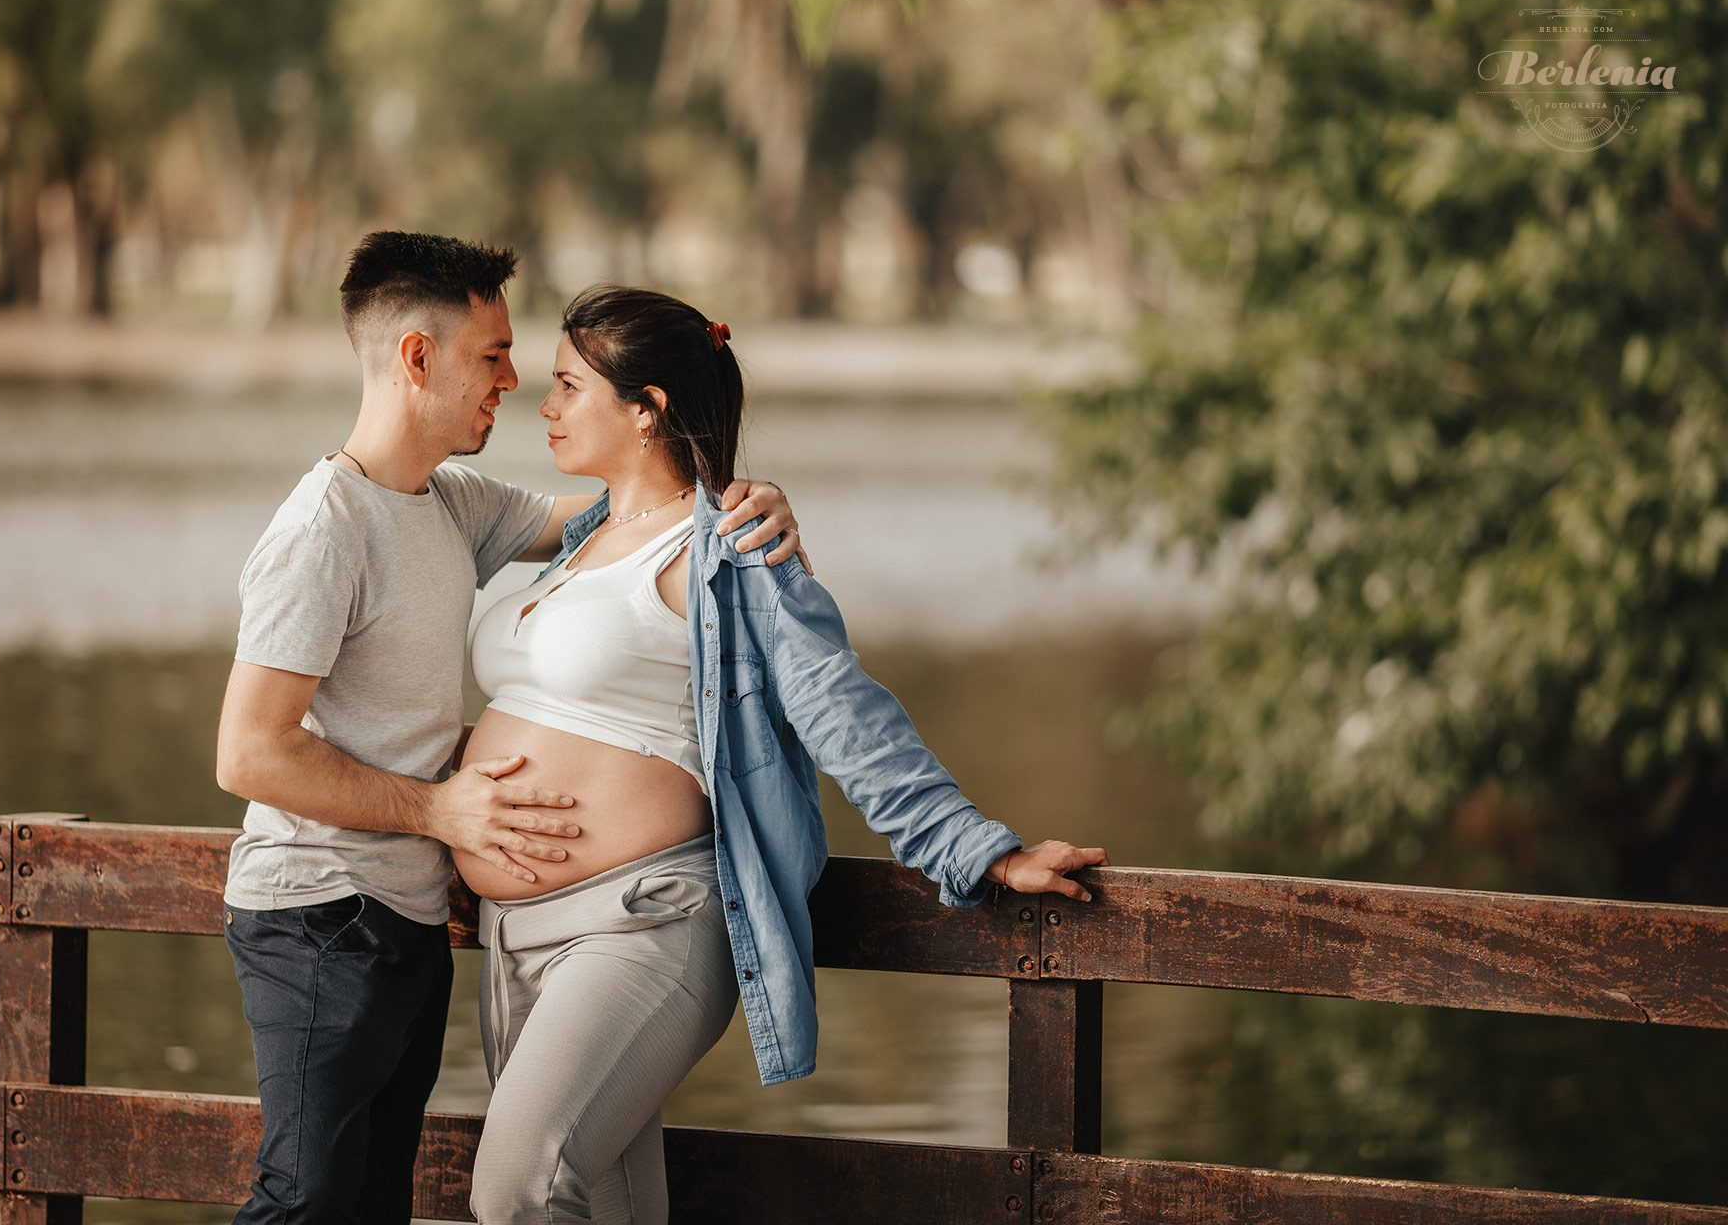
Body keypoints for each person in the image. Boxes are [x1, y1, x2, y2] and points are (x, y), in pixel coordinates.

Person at [461, 284, 1109, 1225]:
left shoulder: (734, 551)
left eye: (568, 386)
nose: (547, 406)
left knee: (516, 1190)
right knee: (605, 1207)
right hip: (512, 940)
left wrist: (984, 851)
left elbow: (843, 711)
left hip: (640, 928)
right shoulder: (581, 540)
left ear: (647, 410)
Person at [212, 232, 804, 1225]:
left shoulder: (452, 503)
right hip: (319, 913)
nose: (515, 379)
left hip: (408, 921)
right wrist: (441, 807)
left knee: (365, 1205)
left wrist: (744, 504)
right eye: (492, 355)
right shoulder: (324, 526)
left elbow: (631, 508)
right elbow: (249, 751)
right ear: (416, 357)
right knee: (305, 1200)